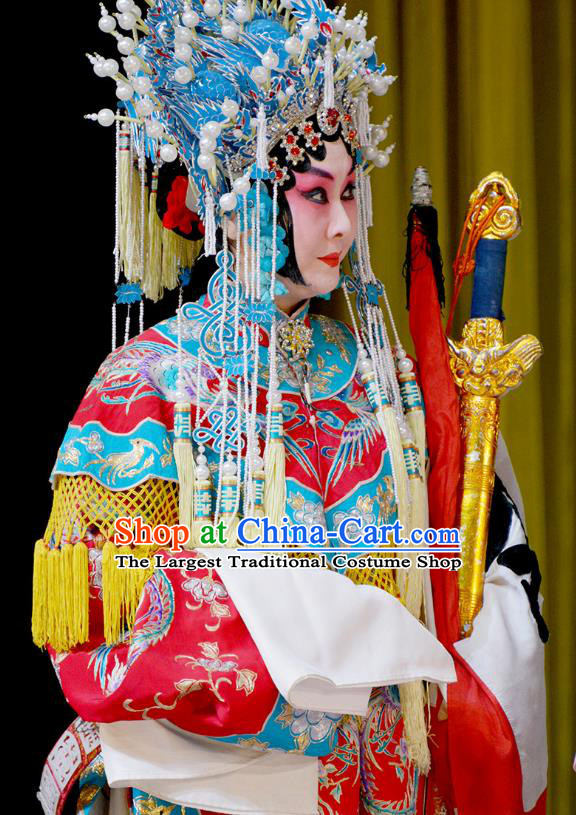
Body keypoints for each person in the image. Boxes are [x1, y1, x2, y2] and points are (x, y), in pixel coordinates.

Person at [32, 2, 547, 815]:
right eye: (314, 195)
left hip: (377, 786)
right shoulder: (147, 380)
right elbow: (95, 610)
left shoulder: (382, 378)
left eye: (349, 191)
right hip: (221, 789)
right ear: (238, 199)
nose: (343, 223)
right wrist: (285, 632)